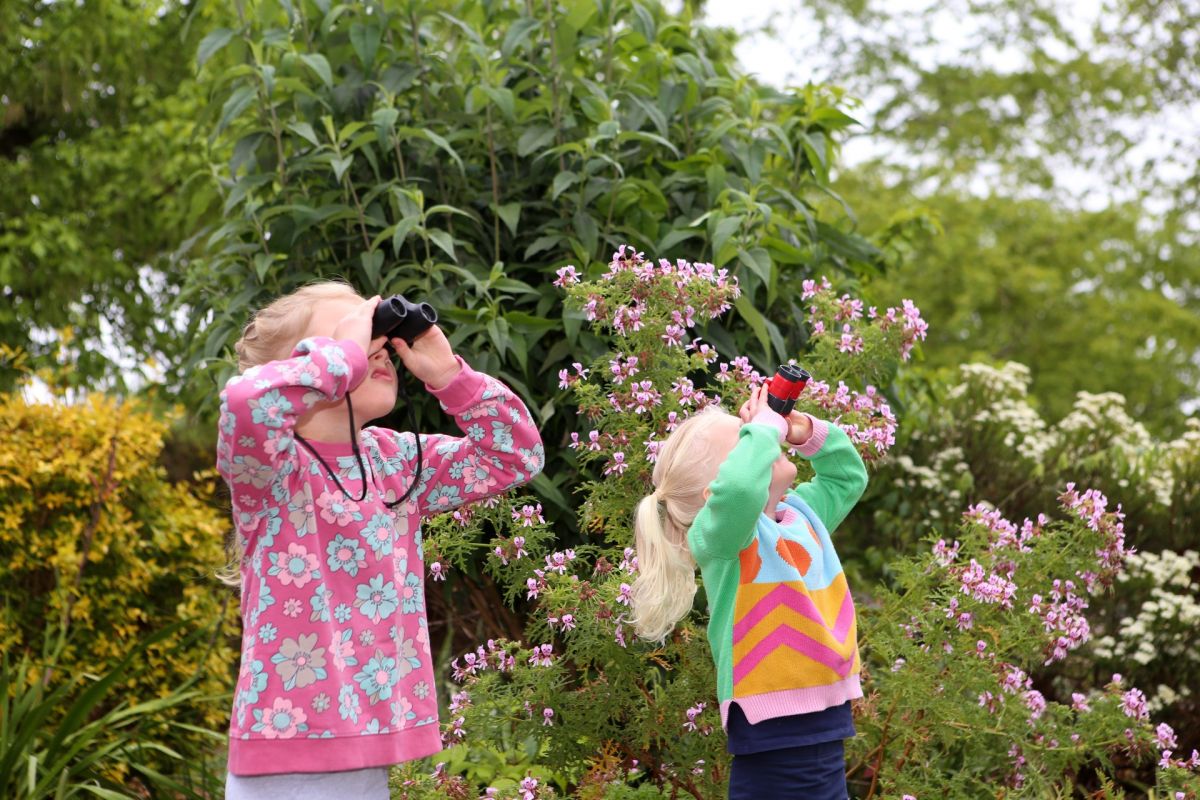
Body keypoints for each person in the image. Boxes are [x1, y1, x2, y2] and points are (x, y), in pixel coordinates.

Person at [216, 282, 544, 799]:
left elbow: (515, 455)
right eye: (354, 333)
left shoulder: (395, 463)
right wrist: (340, 360)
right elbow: (245, 400)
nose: (376, 347)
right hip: (286, 757)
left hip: (368, 753)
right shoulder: (273, 470)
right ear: (299, 366)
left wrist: (448, 376)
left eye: (378, 333)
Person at [630, 384, 868, 800]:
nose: (763, 434)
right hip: (774, 734)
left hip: (825, 726)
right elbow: (740, 491)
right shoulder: (722, 540)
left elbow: (848, 477)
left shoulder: (802, 516)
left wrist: (804, 430)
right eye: (747, 437)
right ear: (713, 496)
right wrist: (762, 431)